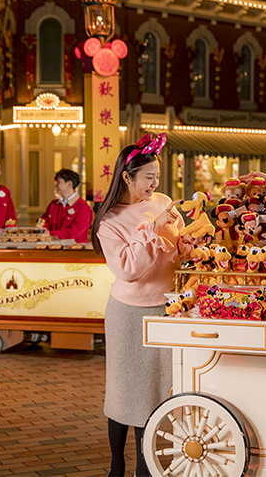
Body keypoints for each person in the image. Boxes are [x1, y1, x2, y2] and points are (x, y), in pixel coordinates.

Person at [91, 133, 192, 477]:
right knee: (124, 393)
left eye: (157, 177)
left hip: (166, 309)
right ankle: (117, 465)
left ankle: (147, 466)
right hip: (128, 314)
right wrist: (151, 229)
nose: (154, 184)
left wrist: (187, 243)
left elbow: (178, 250)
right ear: (127, 177)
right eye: (148, 177)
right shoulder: (109, 221)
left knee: (155, 393)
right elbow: (127, 271)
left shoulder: (163, 202)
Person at [38, 169, 93, 243]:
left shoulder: (83, 207)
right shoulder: (53, 204)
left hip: (74, 251)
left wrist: (51, 234)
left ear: (69, 184)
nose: (56, 185)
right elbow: (43, 221)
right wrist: (42, 230)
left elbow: (76, 232)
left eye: (59, 182)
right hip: (53, 248)